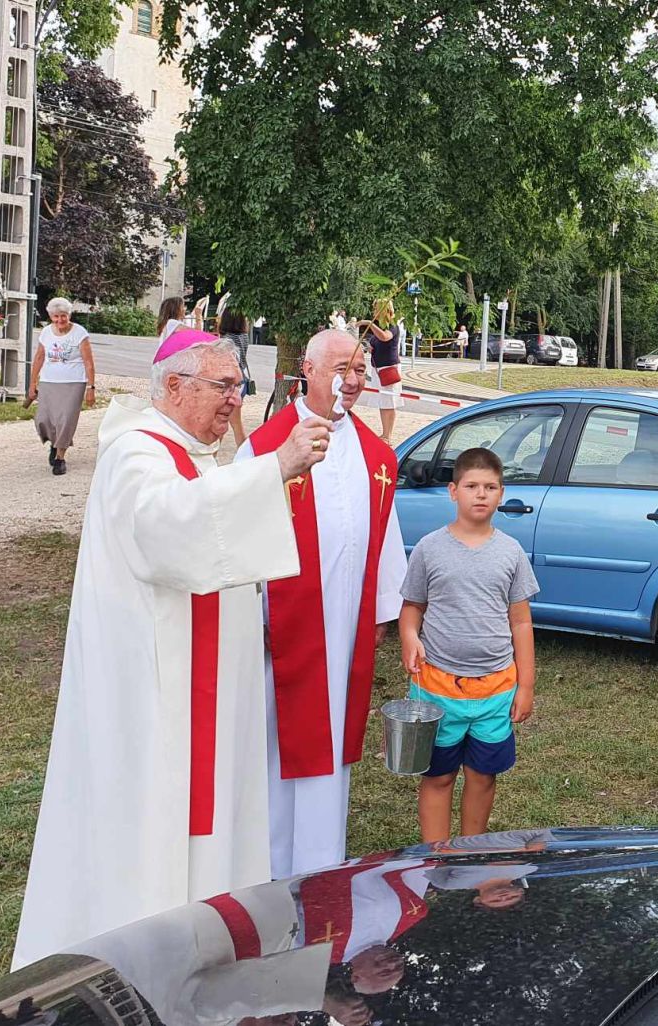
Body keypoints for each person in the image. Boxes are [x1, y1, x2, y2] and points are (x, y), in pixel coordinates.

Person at [12, 331, 334, 969]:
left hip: (203, 684)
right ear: (174, 386)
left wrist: (254, 471)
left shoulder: (198, 455)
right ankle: (140, 956)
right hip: (152, 692)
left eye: (238, 387)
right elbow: (168, 529)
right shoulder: (135, 454)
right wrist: (273, 469)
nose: (234, 400)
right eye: (224, 387)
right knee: (152, 816)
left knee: (214, 809)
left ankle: (209, 943)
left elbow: (216, 522)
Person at [237, 329, 407, 878]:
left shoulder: (377, 456)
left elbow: (384, 539)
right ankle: (266, 867)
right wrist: (253, 613)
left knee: (330, 742)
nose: (353, 380)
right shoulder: (264, 448)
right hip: (279, 632)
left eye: (360, 369)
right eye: (341, 368)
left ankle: (321, 863)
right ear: (306, 370)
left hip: (345, 626)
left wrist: (381, 611)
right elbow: (237, 537)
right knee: (274, 748)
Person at [399, 447, 540, 844]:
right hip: (437, 689)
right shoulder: (430, 548)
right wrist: (410, 637)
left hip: (495, 690)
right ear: (452, 491)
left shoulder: (510, 552)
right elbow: (412, 608)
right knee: (438, 776)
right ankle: (435, 858)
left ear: (501, 493)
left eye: (490, 487)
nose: (481, 494)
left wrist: (525, 686)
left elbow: (521, 621)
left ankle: (470, 856)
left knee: (482, 776)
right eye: (472, 486)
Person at [28, 297, 97, 476]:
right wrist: (32, 383)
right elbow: (39, 358)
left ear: (69, 315)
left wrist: (91, 388)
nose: (60, 320)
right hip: (49, 381)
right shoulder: (45, 333)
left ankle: (60, 457)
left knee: (66, 419)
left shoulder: (79, 333)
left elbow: (88, 362)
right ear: (51, 316)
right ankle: (54, 442)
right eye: (56, 317)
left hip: (74, 382)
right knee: (43, 419)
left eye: (63, 316)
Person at [356, 299, 404, 442]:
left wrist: (368, 323)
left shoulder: (392, 326)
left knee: (390, 401)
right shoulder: (380, 326)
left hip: (389, 368)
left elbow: (384, 337)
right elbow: (377, 341)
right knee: (383, 401)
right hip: (378, 368)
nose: (374, 312)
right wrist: (370, 347)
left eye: (376, 309)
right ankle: (385, 433)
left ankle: (388, 434)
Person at [218, 309, 254, 447]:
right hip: (242, 381)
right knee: (234, 424)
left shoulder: (227, 340)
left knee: (224, 424)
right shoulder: (244, 336)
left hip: (231, 384)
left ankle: (212, 456)